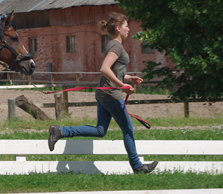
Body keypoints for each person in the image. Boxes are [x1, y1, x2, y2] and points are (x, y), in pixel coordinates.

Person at [47, 12, 158, 174]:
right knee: (128, 129)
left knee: (100, 130)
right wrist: (122, 85)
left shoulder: (114, 44)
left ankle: (60, 131)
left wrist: (128, 77)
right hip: (111, 94)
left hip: (104, 93)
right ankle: (137, 166)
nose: (129, 29)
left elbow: (112, 71)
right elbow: (104, 69)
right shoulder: (116, 46)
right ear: (118, 28)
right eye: (126, 26)